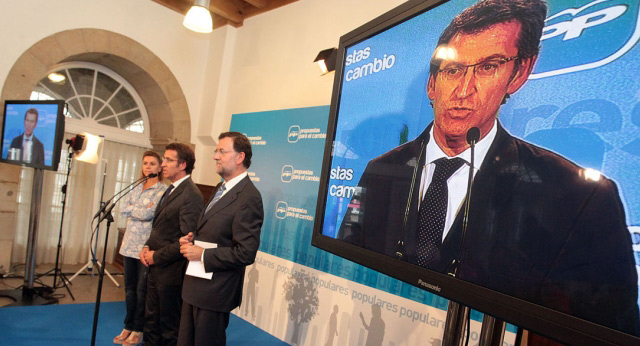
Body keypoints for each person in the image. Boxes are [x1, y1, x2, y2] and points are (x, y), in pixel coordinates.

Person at [337, 0, 640, 336]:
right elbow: (350, 262)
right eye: (453, 70)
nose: (464, 91)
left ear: (520, 73)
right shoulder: (381, 170)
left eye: (487, 67)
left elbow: (608, 328)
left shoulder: (581, 197)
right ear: (432, 84)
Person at [178, 132, 264, 346]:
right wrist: (192, 240)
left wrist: (203, 254)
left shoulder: (249, 197)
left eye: (222, 151)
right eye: (216, 151)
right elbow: (214, 231)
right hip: (195, 285)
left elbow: (246, 252)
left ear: (239, 157)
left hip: (216, 292)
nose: (215, 156)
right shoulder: (220, 187)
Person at [140, 143, 203, 346]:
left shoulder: (191, 194)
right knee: (151, 322)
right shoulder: (171, 189)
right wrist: (146, 247)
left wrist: (156, 256)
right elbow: (160, 228)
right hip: (155, 268)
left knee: (168, 328)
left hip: (171, 272)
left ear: (183, 164)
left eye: (168, 160)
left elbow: (187, 238)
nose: (163, 164)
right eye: (164, 159)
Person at [113, 151, 167, 345]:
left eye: (152, 164)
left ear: (160, 167)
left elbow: (150, 213)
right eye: (145, 163)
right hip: (128, 245)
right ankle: (128, 325)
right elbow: (123, 209)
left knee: (141, 290)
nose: (148, 167)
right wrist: (140, 210)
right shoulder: (136, 186)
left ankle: (139, 328)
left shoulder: (163, 190)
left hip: (145, 246)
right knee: (129, 290)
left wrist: (137, 210)